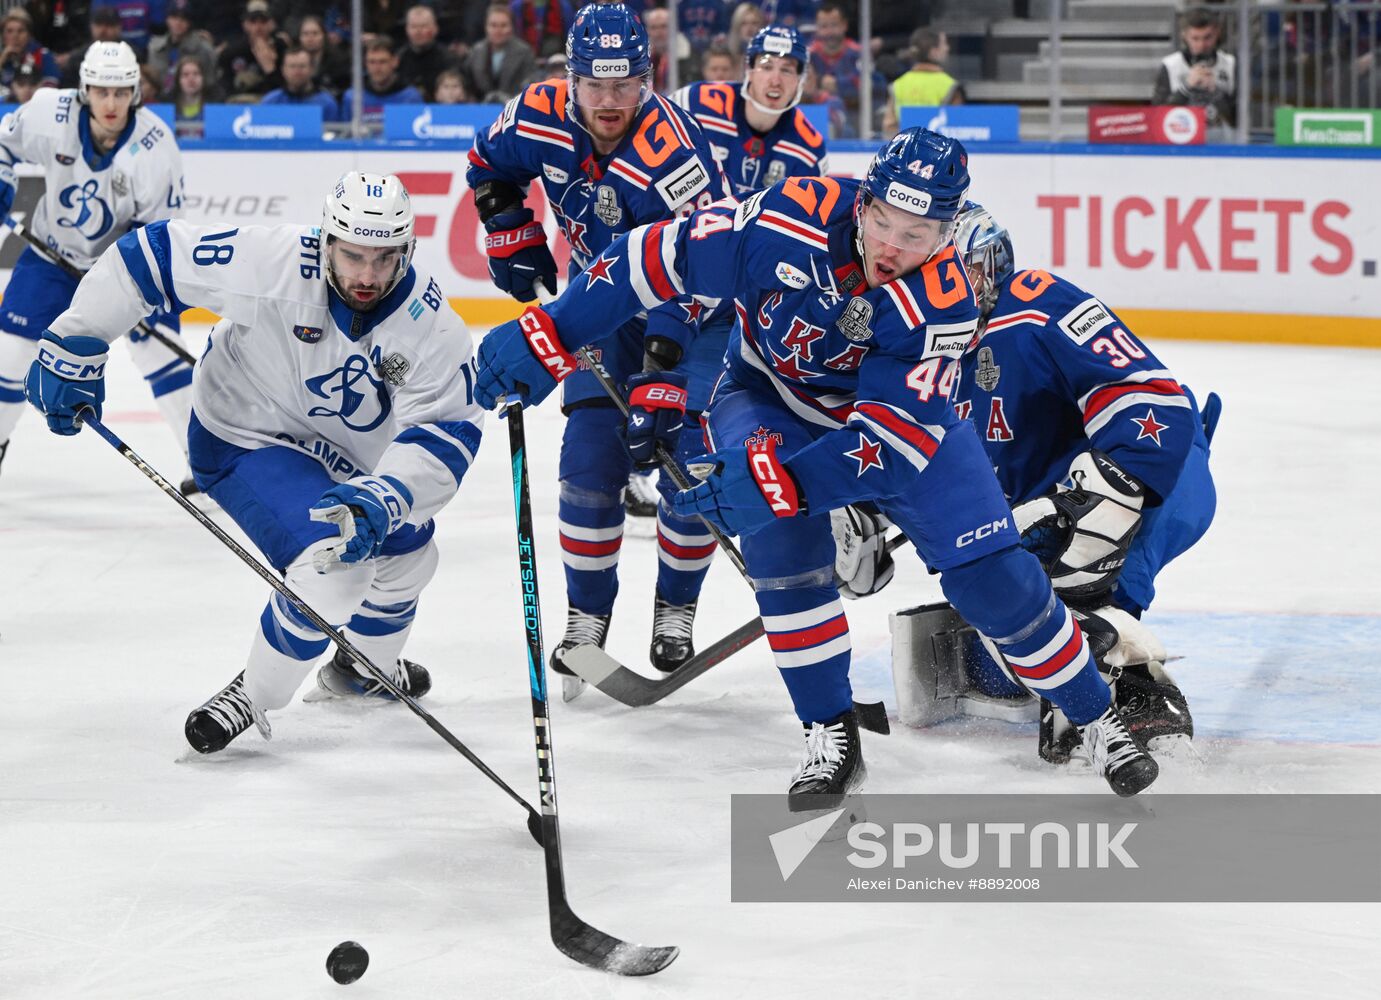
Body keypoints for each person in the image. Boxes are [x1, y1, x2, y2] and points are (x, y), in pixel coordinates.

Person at [472, 128, 1162, 802]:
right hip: (769, 396)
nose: (893, 248)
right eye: (885, 222)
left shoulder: (943, 304)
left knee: (995, 581)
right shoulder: (785, 217)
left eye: (916, 236)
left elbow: (885, 446)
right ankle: (829, 731)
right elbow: (652, 258)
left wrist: (785, 485)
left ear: (947, 234)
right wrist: (551, 330)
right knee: (783, 551)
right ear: (862, 201)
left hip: (896, 435)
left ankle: (1096, 717)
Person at [23, 172, 485, 754]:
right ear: (325, 241)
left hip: (347, 462)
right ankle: (256, 691)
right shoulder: (272, 262)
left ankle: (359, 672)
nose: (366, 275)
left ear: (408, 251)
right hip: (245, 434)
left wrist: (388, 493)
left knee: (413, 557)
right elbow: (151, 256)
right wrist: (77, 338)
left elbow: (447, 433)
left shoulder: (432, 325)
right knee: (337, 567)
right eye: (352, 255)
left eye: (383, 258)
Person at [466, 1, 731, 692]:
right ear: (571, 77)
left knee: (686, 467)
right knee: (587, 467)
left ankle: (676, 605)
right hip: (600, 308)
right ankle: (587, 619)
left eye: (625, 86)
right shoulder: (539, 111)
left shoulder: (676, 153)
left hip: (695, 317)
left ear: (648, 77)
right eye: (595, 85)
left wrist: (663, 373)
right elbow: (489, 162)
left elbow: (693, 276)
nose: (609, 102)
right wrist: (509, 228)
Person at [949, 202, 1216, 755]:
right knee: (1005, 567)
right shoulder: (932, 346)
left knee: (1081, 555)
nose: (945, 290)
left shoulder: (1035, 305)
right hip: (1062, 484)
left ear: (991, 263)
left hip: (1153, 467)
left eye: (957, 273)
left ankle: (1137, 687)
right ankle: (1072, 663)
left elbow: (1149, 405)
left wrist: (1100, 489)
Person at [0, 41, 192, 484]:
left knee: (158, 351)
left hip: (124, 269)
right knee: (10, 353)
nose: (111, 103)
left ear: (135, 93)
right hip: (53, 255)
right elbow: (6, 145)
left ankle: (202, 461)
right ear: (85, 89)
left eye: (121, 92)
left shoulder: (155, 145)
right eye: (101, 91)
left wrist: (139, 288)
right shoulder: (50, 113)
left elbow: (164, 234)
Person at [672, 25, 826, 198]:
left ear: (800, 80)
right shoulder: (695, 103)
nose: (775, 81)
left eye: (786, 70)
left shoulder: (809, 149)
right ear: (749, 71)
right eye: (767, 67)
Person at [1152, 6, 1237, 133]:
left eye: (1207, 38)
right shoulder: (1170, 65)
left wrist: (1215, 91)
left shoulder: (1230, 63)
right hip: (1181, 140)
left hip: (1222, 143)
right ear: (1184, 35)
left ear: (1217, 33)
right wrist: (1186, 88)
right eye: (1195, 38)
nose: (1201, 45)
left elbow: (1240, 118)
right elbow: (1157, 116)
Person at [881, 27, 963, 134]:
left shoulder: (898, 85)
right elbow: (957, 129)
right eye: (944, 44)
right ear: (933, 52)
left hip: (906, 148)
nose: (947, 48)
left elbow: (889, 129)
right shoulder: (949, 86)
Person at [464, 3, 537, 104]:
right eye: (493, 25)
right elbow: (468, 82)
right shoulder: (476, 51)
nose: (498, 30)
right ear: (486, 27)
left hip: (514, 107)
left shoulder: (525, 52)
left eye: (503, 25)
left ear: (511, 27)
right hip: (480, 109)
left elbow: (530, 84)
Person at [217, 0, 289, 100]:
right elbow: (225, 87)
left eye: (263, 22)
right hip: (239, 103)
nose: (258, 27)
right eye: (253, 21)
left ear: (271, 24)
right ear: (245, 25)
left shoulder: (282, 49)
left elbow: (286, 91)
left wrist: (270, 69)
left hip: (272, 104)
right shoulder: (232, 51)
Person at [342, 38, 424, 125]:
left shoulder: (410, 97)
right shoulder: (353, 97)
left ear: (395, 62)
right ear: (365, 63)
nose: (377, 68)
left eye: (382, 62)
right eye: (371, 62)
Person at [146, 0, 216, 99]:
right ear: (167, 19)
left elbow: (210, 82)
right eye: (174, 17)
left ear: (190, 22)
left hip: (193, 99)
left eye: (184, 18)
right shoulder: (154, 47)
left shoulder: (202, 48)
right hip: (159, 102)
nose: (178, 22)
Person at [396, 4, 459, 98]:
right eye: (413, 27)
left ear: (435, 29)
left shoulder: (448, 58)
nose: (418, 31)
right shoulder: (399, 58)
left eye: (423, 26)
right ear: (407, 30)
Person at [262, 45, 341, 118]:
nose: (297, 72)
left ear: (312, 69)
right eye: (292, 66)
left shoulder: (327, 103)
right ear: (283, 70)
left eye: (302, 66)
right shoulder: (271, 102)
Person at [1, 10, 59, 92]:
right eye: (9, 31)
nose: (15, 36)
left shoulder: (43, 55)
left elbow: (50, 87)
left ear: (29, 35)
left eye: (21, 31)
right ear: (3, 37)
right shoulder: (3, 59)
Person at [169, 54, 219, 138]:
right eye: (185, 75)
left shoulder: (215, 103)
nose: (191, 79)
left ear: (203, 78)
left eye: (196, 74)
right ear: (178, 80)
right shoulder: (168, 104)